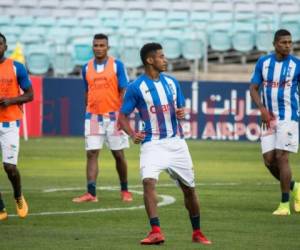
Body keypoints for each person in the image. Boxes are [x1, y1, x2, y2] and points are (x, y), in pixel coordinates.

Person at [118, 43, 211, 245]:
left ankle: (197, 232)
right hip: (152, 145)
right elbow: (122, 117)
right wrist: (133, 133)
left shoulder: (171, 82)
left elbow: (180, 109)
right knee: (148, 182)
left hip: (177, 144)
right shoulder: (136, 87)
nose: (165, 59)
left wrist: (182, 113)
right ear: (150, 60)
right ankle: (156, 230)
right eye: (161, 56)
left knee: (189, 190)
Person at [72, 33, 133, 203]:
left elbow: (123, 90)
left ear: (108, 47)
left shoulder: (117, 66)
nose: (98, 48)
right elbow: (87, 91)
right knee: (91, 153)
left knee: (118, 155)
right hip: (92, 116)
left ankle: (125, 190)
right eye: (96, 45)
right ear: (92, 47)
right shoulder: (86, 68)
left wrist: (123, 114)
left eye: (102, 45)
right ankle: (91, 193)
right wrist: (88, 108)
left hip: (114, 116)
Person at [250, 29, 300, 215]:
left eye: (290, 42)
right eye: (284, 42)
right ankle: (295, 188)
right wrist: (262, 109)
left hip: (289, 116)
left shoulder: (297, 64)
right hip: (269, 118)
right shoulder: (264, 62)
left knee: (282, 157)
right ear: (274, 44)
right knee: (269, 161)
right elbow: (253, 88)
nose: (288, 45)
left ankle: (284, 205)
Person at [0, 33, 33, 221]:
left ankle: (18, 196)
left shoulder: (16, 67)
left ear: (5, 46)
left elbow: (30, 95)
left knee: (9, 167)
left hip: (10, 123)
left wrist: (10, 101)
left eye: (0, 44)